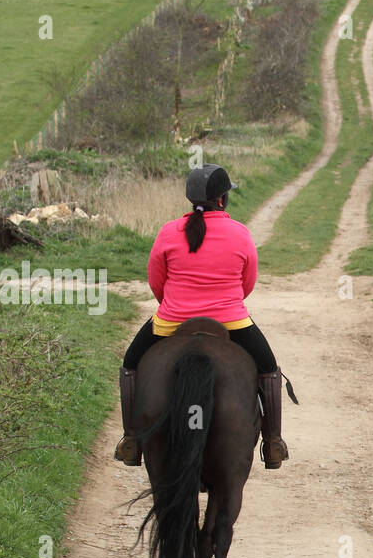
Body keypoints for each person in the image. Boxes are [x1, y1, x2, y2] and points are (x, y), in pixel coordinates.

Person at [113, 163, 288, 469]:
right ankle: (273, 443)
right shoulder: (240, 233)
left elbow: (157, 282)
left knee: (130, 364)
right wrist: (226, 303)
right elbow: (247, 282)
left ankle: (130, 440)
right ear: (222, 200)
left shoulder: (168, 232)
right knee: (269, 368)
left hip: (171, 320)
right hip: (232, 321)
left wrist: (175, 307)